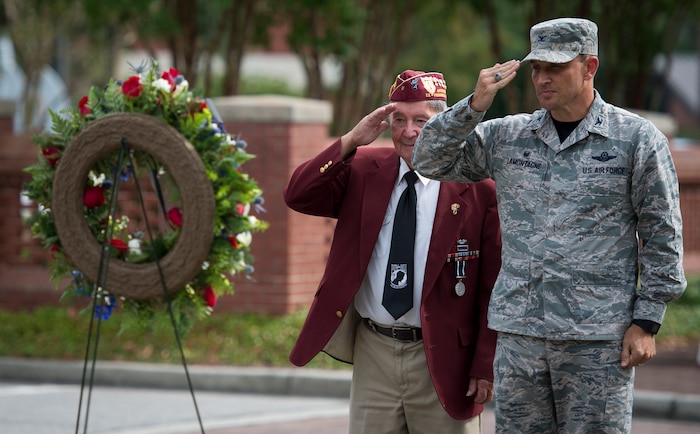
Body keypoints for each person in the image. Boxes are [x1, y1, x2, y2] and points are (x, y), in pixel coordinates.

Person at [412, 17, 687, 433]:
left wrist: (647, 321)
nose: (543, 78)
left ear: (589, 67)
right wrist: (474, 105)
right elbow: (428, 159)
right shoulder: (508, 136)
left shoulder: (635, 139)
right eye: (537, 68)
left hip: (597, 338)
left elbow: (662, 232)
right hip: (521, 336)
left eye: (556, 68)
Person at [284, 70, 502, 433]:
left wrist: (485, 363)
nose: (408, 131)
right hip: (375, 350)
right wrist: (352, 140)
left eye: (421, 120)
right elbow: (298, 194)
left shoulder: (478, 189)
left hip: (446, 356)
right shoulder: (365, 169)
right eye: (398, 119)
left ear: (444, 124)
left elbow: (492, 287)